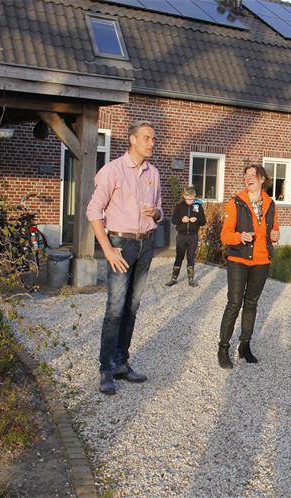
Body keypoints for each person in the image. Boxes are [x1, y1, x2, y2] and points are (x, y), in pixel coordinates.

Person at [86, 120, 162, 395]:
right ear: (132, 139)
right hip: (121, 244)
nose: (151, 143)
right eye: (147, 138)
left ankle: (121, 362)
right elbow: (93, 211)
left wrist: (156, 213)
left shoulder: (154, 173)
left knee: (132, 307)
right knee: (116, 308)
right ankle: (106, 369)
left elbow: (160, 211)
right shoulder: (113, 170)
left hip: (146, 244)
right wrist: (107, 249)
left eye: (153, 139)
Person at [217, 164, 280, 369]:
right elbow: (225, 235)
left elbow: (274, 229)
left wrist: (275, 235)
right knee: (234, 303)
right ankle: (223, 348)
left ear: (262, 179)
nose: (248, 178)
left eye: (253, 175)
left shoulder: (270, 203)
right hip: (239, 259)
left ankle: (244, 345)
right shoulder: (236, 202)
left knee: (251, 303)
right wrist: (239, 236)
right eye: (246, 175)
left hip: (262, 261)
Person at [165, 185, 206, 287]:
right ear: (184, 196)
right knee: (179, 256)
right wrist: (181, 220)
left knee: (191, 256)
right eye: (188, 199)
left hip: (193, 236)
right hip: (181, 236)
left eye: (192, 199)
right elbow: (174, 221)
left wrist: (196, 220)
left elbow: (203, 221)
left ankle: (191, 280)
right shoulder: (179, 206)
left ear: (195, 197)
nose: (190, 201)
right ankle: (174, 278)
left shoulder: (198, 207)